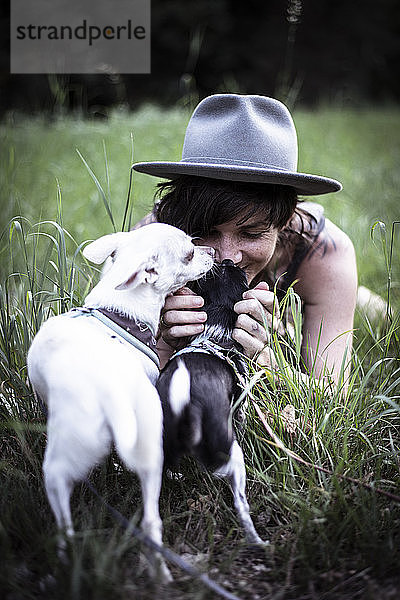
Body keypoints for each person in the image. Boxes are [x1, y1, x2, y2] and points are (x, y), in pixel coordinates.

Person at [132, 94, 357, 391]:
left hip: (306, 281)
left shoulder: (325, 254)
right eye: (206, 231)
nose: (227, 256)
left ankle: (363, 301)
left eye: (251, 234)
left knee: (369, 308)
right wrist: (160, 340)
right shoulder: (152, 245)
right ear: (182, 217)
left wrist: (271, 366)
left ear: (286, 218)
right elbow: (114, 384)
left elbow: (332, 393)